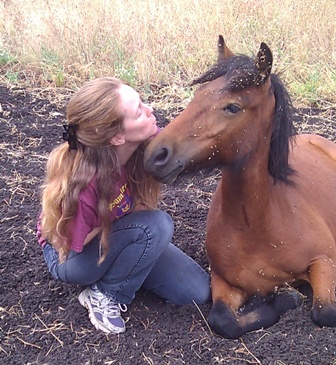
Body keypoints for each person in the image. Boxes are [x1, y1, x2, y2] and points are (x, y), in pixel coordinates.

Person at [37, 76, 211, 335]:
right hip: (69, 257)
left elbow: (189, 148)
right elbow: (71, 243)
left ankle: (129, 264)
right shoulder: (84, 183)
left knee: (196, 291)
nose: (150, 111)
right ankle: (105, 294)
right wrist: (124, 217)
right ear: (118, 137)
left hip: (120, 236)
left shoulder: (144, 148)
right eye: (139, 111)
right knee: (155, 225)